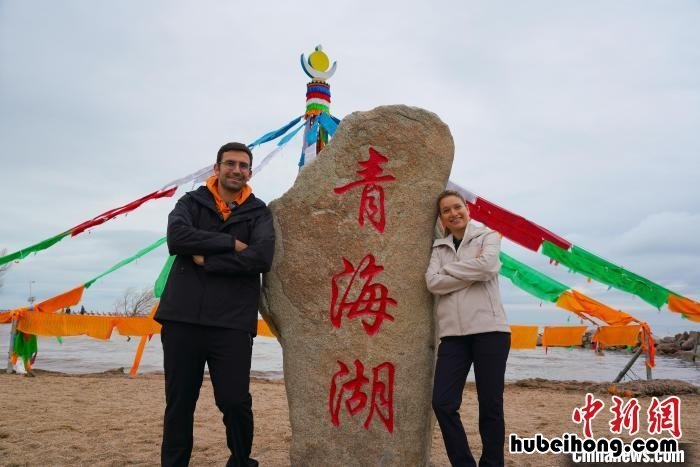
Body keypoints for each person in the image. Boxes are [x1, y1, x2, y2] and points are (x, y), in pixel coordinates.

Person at [154, 142, 275, 467]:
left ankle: (240, 460)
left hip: (232, 322)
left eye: (243, 165)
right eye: (230, 164)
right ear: (217, 167)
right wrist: (229, 243)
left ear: (250, 172)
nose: (236, 170)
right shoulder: (191, 202)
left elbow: (261, 257)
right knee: (179, 403)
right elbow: (177, 238)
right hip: (182, 318)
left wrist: (207, 261)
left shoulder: (259, 211)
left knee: (235, 401)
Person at [425, 190, 511, 467]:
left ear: (467, 209)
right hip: (452, 337)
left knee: (490, 406)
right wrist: (468, 273)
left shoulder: (488, 237)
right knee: (443, 402)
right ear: (441, 218)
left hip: (491, 331)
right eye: (446, 210)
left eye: (457, 207)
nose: (453, 213)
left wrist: (449, 271)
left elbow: (487, 267)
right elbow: (432, 283)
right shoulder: (439, 248)